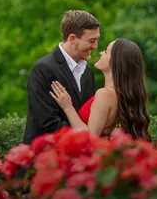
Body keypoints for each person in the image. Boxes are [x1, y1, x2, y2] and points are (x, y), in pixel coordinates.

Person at [22, 10, 100, 145]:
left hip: (77, 157)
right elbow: (48, 123)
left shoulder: (87, 72)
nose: (95, 46)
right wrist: (84, 137)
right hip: (45, 157)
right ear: (72, 39)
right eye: (91, 41)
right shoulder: (43, 69)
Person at [50, 38, 151, 141]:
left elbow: (91, 138)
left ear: (115, 62)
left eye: (106, 52)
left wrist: (68, 108)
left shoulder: (105, 94)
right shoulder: (118, 94)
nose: (101, 53)